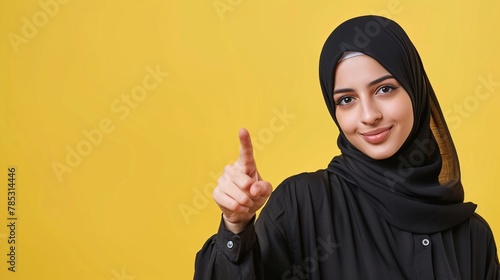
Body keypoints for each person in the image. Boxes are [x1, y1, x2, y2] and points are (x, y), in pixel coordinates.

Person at [194, 15, 500, 279]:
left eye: (385, 89)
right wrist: (235, 227)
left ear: (415, 90)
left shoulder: (473, 237)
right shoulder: (305, 204)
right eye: (347, 99)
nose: (369, 115)